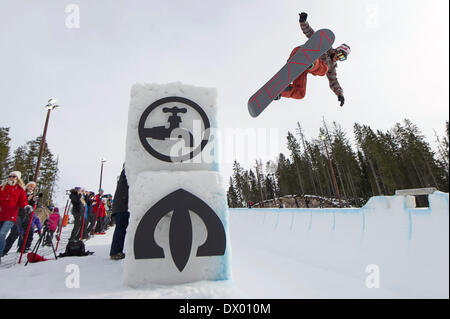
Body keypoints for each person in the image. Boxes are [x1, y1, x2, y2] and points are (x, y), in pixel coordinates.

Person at [276, 12, 350, 106]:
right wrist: (303, 22)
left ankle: (279, 92)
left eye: (342, 58)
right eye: (339, 54)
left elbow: (334, 82)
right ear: (337, 50)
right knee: (324, 70)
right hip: (300, 53)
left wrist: (340, 94)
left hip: (302, 69)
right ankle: (311, 63)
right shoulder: (326, 45)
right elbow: (311, 34)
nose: (338, 58)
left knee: (300, 93)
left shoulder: (332, 67)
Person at [3, 181, 38, 256]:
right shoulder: (22, 192)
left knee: (30, 230)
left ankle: (24, 247)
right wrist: (27, 199)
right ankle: (4, 250)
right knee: (15, 232)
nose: (31, 188)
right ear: (27, 186)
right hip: (18, 214)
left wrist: (34, 202)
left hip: (26, 215)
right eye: (30, 186)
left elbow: (31, 207)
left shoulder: (32, 195)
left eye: (33, 187)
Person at [0, 171, 28, 262]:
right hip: (1, 213)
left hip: (11, 215)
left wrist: (26, 206)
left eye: (14, 176)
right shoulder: (3, 187)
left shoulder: (20, 189)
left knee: (2, 234)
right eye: (10, 176)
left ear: (18, 179)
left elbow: (23, 201)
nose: (12, 178)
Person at [110, 166, 129, 260]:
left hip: (121, 206)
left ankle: (116, 251)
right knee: (120, 229)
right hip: (122, 206)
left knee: (121, 229)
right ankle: (115, 252)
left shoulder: (125, 174)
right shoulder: (126, 173)